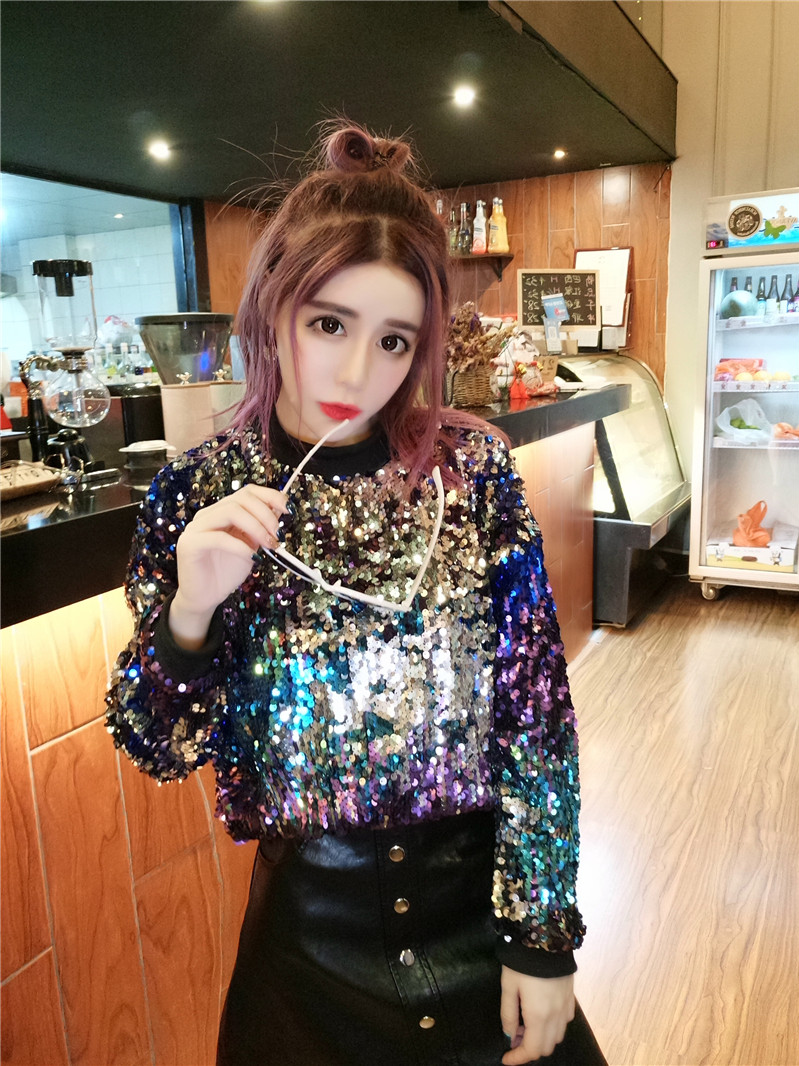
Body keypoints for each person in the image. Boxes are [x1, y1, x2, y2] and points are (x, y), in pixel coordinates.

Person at [106, 122, 607, 1066]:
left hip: (479, 917)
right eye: (328, 323)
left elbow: (536, 717)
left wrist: (542, 939)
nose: (354, 373)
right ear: (273, 308)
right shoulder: (197, 493)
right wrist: (189, 612)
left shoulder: (471, 477)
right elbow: (154, 746)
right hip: (307, 953)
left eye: (393, 340)